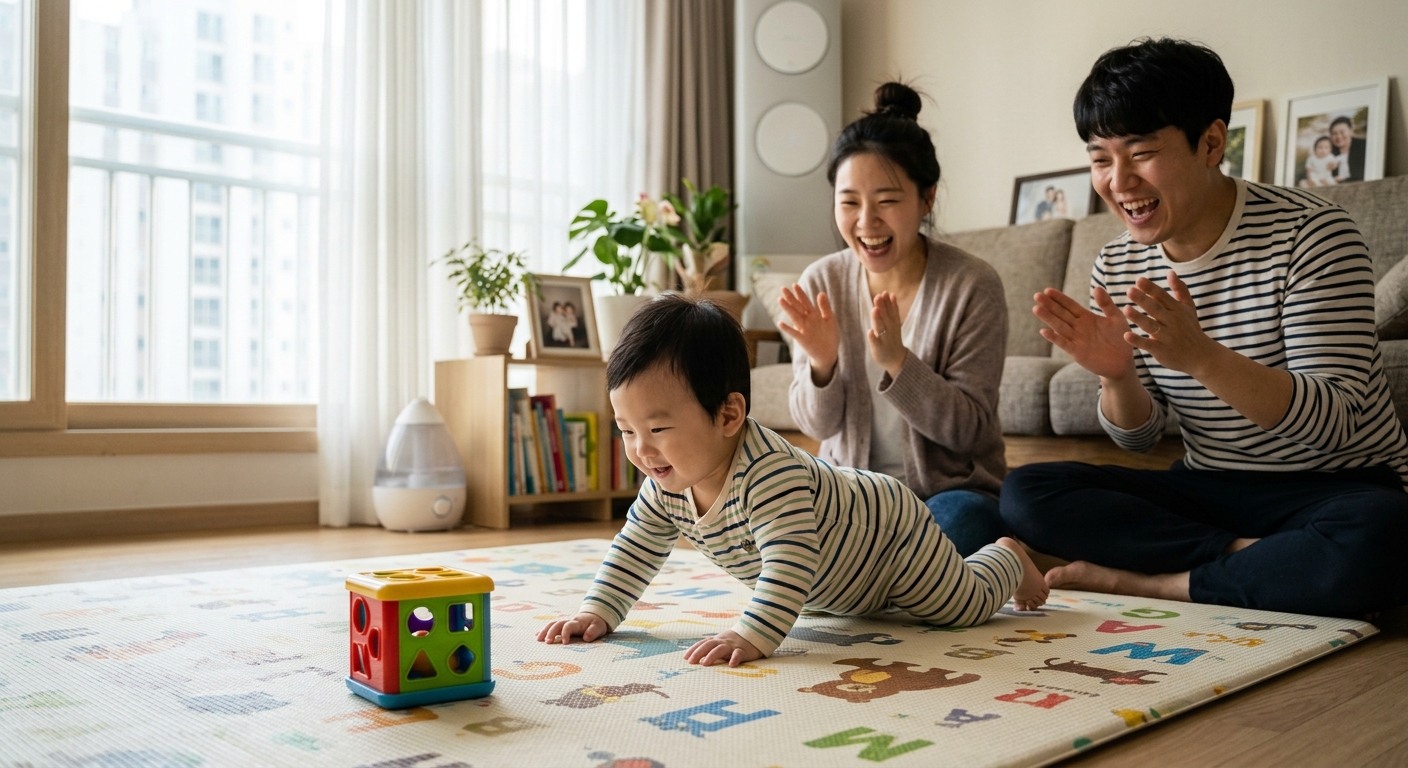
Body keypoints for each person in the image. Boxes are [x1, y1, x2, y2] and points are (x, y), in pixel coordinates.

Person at [1000, 38, 1408, 619]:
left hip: (1335, 486)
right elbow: (1140, 438)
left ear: (1212, 141)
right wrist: (1118, 379)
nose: (1118, 181)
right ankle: (1258, 563)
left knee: (1385, 533)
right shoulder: (1118, 263)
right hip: (1210, 490)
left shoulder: (1314, 236)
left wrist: (1201, 357)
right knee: (1027, 493)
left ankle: (1152, 583)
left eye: (1140, 153)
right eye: (1100, 158)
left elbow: (1334, 424)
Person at [537, 294, 1048, 667]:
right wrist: (597, 611)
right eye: (626, 430)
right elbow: (635, 548)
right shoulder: (665, 485)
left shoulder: (768, 474)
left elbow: (790, 561)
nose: (641, 450)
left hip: (888, 538)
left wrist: (752, 634)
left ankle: (1006, 558)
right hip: (842, 585)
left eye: (659, 429)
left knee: (960, 608)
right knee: (871, 615)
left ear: (728, 414)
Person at [777, 82, 1010, 558]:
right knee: (781, 529)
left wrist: (899, 363)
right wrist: (822, 364)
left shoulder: (971, 284)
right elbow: (815, 425)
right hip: (849, 498)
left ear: (927, 199)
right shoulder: (822, 280)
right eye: (849, 202)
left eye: (887, 200)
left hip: (944, 498)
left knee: (963, 524)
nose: (866, 222)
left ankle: (883, 574)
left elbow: (969, 431)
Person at [1329, 116, 1366, 182]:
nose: (1338, 136)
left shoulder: (1363, 146)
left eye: (1342, 132)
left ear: (1351, 131)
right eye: (1334, 133)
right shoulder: (1329, 152)